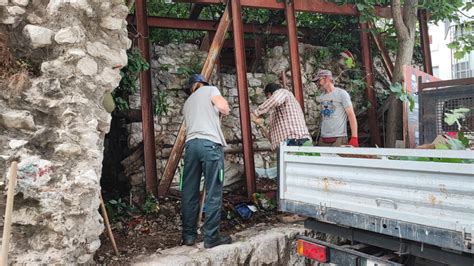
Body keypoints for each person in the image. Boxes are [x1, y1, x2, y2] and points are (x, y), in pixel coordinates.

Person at [181, 74, 232, 248]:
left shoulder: (187, 103)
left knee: (189, 192)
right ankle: (211, 238)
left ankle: (188, 236)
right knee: (213, 191)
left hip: (191, 146)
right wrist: (224, 110)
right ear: (202, 83)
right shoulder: (210, 89)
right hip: (209, 145)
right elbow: (223, 107)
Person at [251, 83, 312, 149]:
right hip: (290, 143)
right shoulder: (276, 114)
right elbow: (272, 139)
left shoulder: (283, 92)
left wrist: (256, 113)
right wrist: (261, 125)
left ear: (269, 94)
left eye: (267, 97)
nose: (267, 100)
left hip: (296, 140)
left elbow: (275, 100)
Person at [313, 69, 359, 147]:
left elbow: (351, 115)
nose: (318, 83)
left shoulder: (342, 94)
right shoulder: (321, 97)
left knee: (338, 159)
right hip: (323, 138)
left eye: (319, 80)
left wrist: (354, 137)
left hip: (339, 137)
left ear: (326, 79)